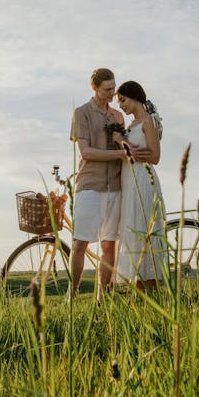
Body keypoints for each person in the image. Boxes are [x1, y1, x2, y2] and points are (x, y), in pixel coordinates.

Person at [69, 68, 126, 298]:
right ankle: (72, 294)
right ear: (95, 88)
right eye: (107, 89)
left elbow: (124, 146)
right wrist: (119, 155)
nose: (113, 93)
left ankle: (104, 298)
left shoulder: (118, 116)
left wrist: (122, 145)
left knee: (108, 245)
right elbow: (86, 152)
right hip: (90, 184)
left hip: (115, 185)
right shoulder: (81, 113)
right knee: (79, 243)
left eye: (114, 88)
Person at [112, 81, 167, 290]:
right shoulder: (131, 125)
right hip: (129, 182)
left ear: (134, 96)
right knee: (132, 231)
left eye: (123, 100)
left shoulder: (148, 121)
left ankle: (150, 291)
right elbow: (131, 155)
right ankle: (139, 292)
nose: (121, 106)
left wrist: (121, 143)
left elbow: (154, 156)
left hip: (143, 181)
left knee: (144, 231)